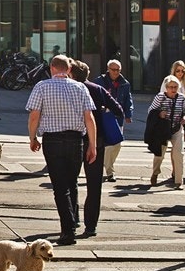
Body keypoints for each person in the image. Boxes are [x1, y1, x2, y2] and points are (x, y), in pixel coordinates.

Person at [25, 55, 97, 246]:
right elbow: (89, 118)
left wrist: (32, 138)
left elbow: (34, 115)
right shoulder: (80, 87)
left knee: (60, 187)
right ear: (68, 69)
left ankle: (67, 230)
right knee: (72, 183)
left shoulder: (42, 86)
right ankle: (73, 221)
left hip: (53, 140)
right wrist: (92, 145)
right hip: (76, 140)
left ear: (52, 68)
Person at [71, 61, 124, 238]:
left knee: (71, 182)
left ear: (71, 73)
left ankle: (73, 219)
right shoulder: (97, 89)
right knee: (94, 185)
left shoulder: (70, 89)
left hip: (73, 140)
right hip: (96, 141)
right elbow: (119, 110)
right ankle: (91, 225)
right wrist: (103, 111)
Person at [146, 76, 185, 189]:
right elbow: (151, 110)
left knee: (178, 154)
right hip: (162, 129)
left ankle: (179, 181)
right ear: (166, 88)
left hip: (176, 128)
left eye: (175, 87)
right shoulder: (160, 97)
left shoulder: (181, 98)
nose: (173, 89)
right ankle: (155, 173)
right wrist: (159, 113)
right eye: (171, 87)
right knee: (159, 154)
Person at [96, 59, 134, 182]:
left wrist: (128, 114)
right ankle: (110, 172)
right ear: (108, 69)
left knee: (117, 144)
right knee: (108, 146)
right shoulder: (99, 81)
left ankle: (108, 166)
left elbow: (128, 100)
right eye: (113, 70)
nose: (116, 72)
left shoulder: (125, 83)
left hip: (118, 117)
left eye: (118, 70)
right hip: (104, 116)